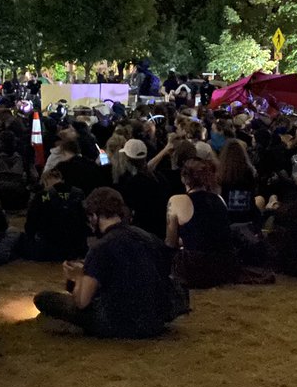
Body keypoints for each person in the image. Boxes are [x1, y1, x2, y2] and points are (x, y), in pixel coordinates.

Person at [33, 187, 184, 338]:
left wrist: (78, 276)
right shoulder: (147, 237)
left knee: (44, 298)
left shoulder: (100, 247)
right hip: (155, 321)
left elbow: (82, 303)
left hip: (118, 323)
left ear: (93, 216)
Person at [166, 157, 242, 288]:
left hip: (195, 269)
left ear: (183, 178)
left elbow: (170, 243)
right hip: (225, 267)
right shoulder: (219, 199)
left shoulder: (177, 200)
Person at [20, 169, 89, 261]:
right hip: (74, 249)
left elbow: (30, 224)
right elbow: (84, 220)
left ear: (45, 181)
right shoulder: (78, 193)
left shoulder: (41, 196)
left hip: (47, 248)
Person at [115, 138, 169, 238]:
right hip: (162, 227)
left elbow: (127, 210)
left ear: (127, 159)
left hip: (143, 231)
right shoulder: (159, 177)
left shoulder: (131, 183)